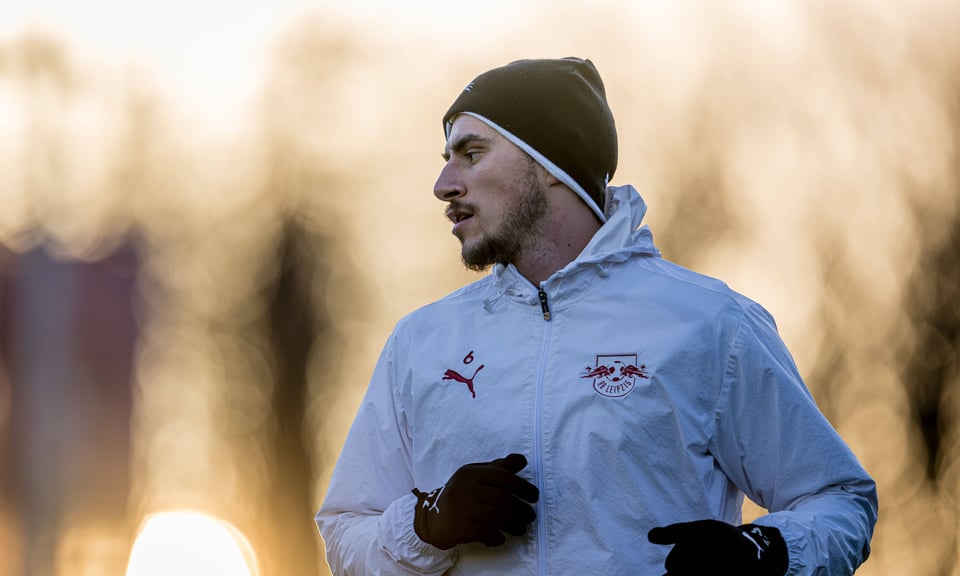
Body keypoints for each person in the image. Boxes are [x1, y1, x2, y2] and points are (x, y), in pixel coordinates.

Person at [316, 57, 877, 576]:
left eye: (472, 153)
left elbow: (840, 499)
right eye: (447, 161)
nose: (444, 186)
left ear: (552, 165)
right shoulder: (421, 342)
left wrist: (764, 553)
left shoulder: (710, 324)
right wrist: (425, 527)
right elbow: (344, 531)